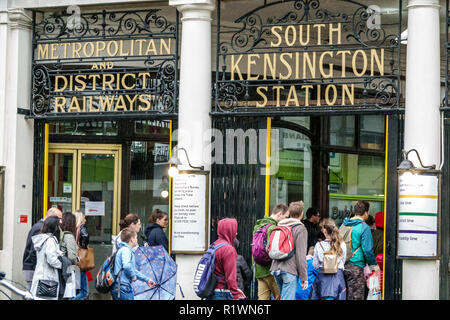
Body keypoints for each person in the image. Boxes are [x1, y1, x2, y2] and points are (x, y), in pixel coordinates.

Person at [341, 200, 379, 300]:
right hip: (356, 267)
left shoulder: (344, 224)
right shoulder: (364, 227)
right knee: (356, 297)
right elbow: (367, 250)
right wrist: (373, 266)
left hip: (342, 266)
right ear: (366, 213)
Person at [270, 201, 308, 300]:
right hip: (289, 270)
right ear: (301, 214)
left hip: (275, 268)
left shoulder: (280, 225)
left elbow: (269, 248)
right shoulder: (300, 229)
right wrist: (304, 277)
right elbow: (301, 255)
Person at [252, 203, 289, 300]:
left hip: (259, 270)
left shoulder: (258, 226)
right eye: (286, 217)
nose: (286, 220)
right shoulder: (273, 228)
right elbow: (273, 250)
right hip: (270, 270)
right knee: (280, 297)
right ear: (280, 214)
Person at [22, 208, 62, 291]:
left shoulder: (40, 227)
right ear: (51, 217)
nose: (60, 222)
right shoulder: (40, 228)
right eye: (58, 218)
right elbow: (34, 252)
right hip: (35, 269)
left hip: (35, 269)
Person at [111, 227, 156, 300]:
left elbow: (132, 269)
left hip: (120, 286)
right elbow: (127, 266)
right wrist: (132, 276)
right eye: (136, 238)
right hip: (123, 287)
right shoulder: (126, 250)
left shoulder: (123, 249)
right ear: (131, 240)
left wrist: (147, 280)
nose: (137, 240)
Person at [207, 218, 246, 300]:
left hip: (212, 291)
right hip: (222, 293)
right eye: (234, 230)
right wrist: (235, 295)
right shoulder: (229, 249)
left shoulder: (214, 245)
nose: (236, 233)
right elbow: (231, 277)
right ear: (229, 230)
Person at [310, 218, 347, 300]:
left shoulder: (318, 245)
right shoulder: (342, 244)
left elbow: (315, 265)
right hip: (338, 278)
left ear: (324, 231)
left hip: (322, 280)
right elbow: (343, 262)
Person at [30, 215, 63, 300]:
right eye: (58, 226)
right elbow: (51, 259)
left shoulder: (42, 239)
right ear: (55, 227)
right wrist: (62, 264)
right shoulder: (50, 240)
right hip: (48, 279)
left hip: (40, 276)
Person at [59, 212, 79, 299]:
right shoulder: (69, 236)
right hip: (68, 269)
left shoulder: (61, 234)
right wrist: (78, 261)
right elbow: (71, 256)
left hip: (62, 268)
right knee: (69, 295)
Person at [72, 210, 89, 300]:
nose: (85, 220)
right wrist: (84, 247)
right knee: (84, 292)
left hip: (73, 262)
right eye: (84, 218)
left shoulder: (72, 230)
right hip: (80, 262)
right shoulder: (82, 228)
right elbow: (85, 237)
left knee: (76, 290)